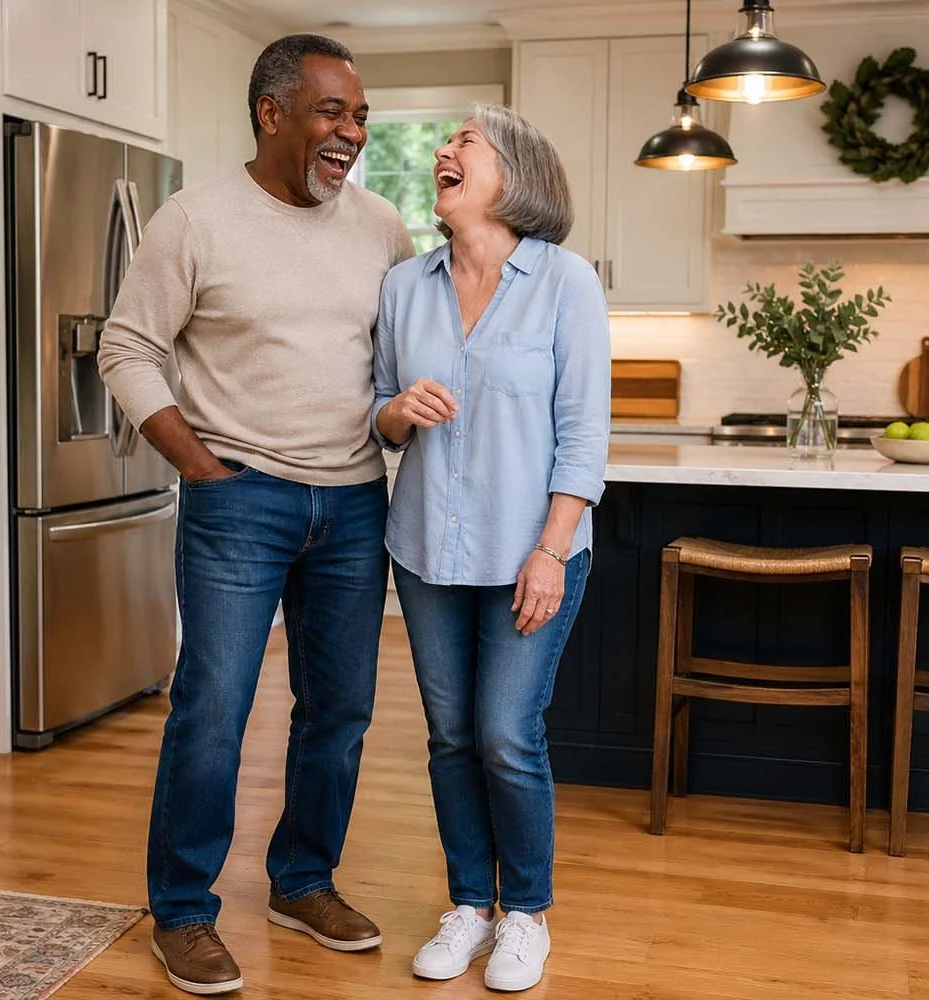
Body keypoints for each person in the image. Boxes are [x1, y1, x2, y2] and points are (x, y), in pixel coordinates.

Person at [97, 33, 415, 997]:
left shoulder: (382, 228)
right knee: (214, 710)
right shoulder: (195, 220)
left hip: (353, 502)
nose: (352, 132)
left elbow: (403, 361)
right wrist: (201, 467)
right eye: (333, 112)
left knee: (340, 712)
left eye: (361, 116)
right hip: (240, 500)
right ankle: (183, 911)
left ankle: (303, 882)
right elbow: (125, 348)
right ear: (272, 114)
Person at [371, 104, 611, 993]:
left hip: (530, 553)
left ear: (515, 173)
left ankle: (526, 915)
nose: (444, 150)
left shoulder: (566, 283)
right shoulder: (405, 287)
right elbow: (379, 412)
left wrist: (551, 551)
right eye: (446, 142)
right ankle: (470, 905)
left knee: (507, 734)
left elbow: (584, 436)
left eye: (465, 142)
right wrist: (399, 412)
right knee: (449, 737)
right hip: (427, 549)